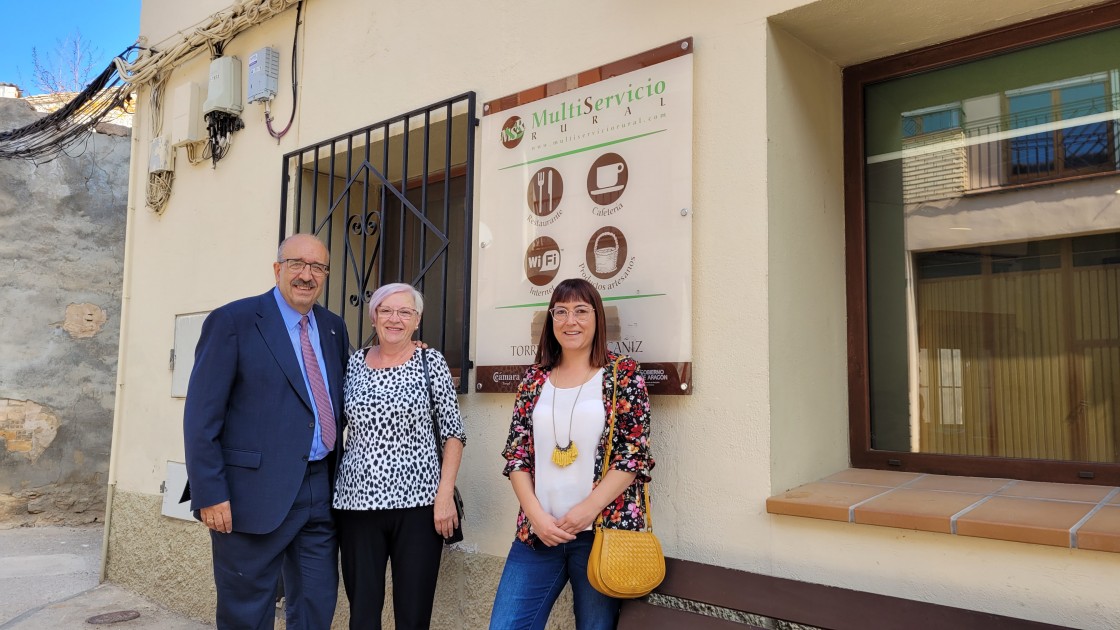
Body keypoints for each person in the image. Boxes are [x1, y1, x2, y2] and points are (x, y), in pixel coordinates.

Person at [183, 233, 349, 629]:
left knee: (316, 603)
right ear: (278, 269)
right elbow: (201, 416)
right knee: (247, 613)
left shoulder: (333, 328)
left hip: (319, 489)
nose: (307, 275)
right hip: (248, 496)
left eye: (317, 267)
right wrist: (210, 493)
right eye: (297, 264)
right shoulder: (233, 322)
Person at [489, 278, 654, 630]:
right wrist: (535, 516)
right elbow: (517, 455)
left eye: (581, 311)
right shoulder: (535, 379)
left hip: (599, 533)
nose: (570, 321)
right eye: (560, 312)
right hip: (538, 533)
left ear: (597, 318)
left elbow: (633, 455)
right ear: (551, 321)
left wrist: (585, 511)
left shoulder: (622, 375)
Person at [333, 282, 466, 630]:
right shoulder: (353, 364)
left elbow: (454, 432)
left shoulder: (430, 361)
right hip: (356, 504)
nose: (395, 318)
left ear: (417, 320)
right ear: (374, 317)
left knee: (413, 613)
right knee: (362, 614)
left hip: (420, 506)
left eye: (405, 311)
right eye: (387, 310)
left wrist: (444, 496)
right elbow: (332, 422)